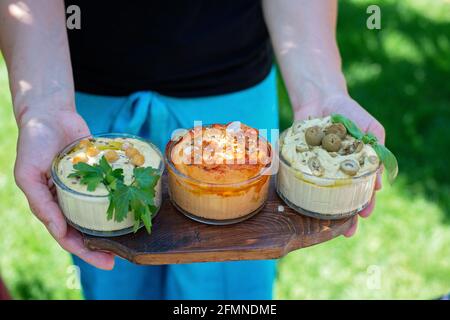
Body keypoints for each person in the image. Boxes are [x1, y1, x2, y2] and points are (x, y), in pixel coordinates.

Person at [0, 0, 384, 299]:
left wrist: (321, 90)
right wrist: (44, 108)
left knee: (232, 291)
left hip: (234, 101)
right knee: (113, 283)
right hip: (79, 108)